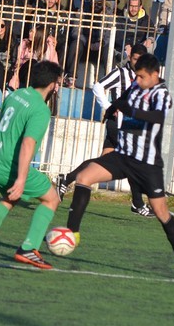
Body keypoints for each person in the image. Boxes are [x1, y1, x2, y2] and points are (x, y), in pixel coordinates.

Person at [58, 53, 174, 281]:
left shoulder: (161, 94)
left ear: (155, 75)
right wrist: (112, 107)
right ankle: (72, 234)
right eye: (137, 76)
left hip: (146, 164)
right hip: (123, 155)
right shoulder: (136, 84)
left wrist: (128, 109)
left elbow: (156, 118)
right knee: (84, 177)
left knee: (161, 212)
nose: (138, 80)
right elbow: (122, 99)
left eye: (142, 77)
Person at [0, 60, 64, 270]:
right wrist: (21, 178)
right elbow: (28, 143)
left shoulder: (16, 94)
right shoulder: (41, 110)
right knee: (51, 198)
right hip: (8, 165)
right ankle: (29, 248)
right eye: (58, 83)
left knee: (11, 197)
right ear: (52, 85)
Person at [57, 43, 152, 217]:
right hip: (118, 125)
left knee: (102, 162)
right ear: (129, 58)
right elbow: (98, 86)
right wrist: (109, 106)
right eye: (135, 59)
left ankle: (66, 179)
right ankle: (137, 203)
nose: (137, 62)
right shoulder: (120, 73)